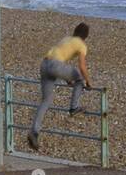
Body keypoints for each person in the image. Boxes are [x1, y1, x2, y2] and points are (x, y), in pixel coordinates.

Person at [27, 23, 91, 151]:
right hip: (55, 66)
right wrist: (88, 81)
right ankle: (74, 107)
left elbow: (60, 57)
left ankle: (34, 131)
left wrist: (67, 79)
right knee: (80, 77)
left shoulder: (67, 39)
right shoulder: (82, 45)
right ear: (86, 36)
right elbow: (82, 66)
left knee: (45, 101)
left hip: (45, 65)